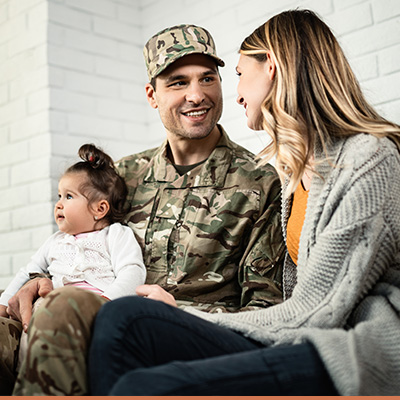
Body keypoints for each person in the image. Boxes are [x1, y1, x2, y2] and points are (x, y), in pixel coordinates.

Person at [87, 9, 400, 396]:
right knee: (124, 326)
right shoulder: (300, 172)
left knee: (135, 359)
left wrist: (185, 314)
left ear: (270, 67)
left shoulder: (367, 159)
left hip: (355, 350)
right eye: (179, 82)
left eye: (233, 75)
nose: (233, 94)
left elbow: (318, 309)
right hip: (306, 335)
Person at [8, 24, 285, 395]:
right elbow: (70, 243)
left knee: (62, 309)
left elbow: (268, 311)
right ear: (152, 95)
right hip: (93, 315)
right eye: (177, 82)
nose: (197, 95)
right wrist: (32, 282)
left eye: (207, 78)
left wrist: (183, 312)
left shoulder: (260, 183)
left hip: (187, 334)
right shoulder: (122, 176)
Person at [0, 143, 146, 374]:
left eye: (69, 196)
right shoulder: (55, 240)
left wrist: (105, 304)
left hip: (94, 307)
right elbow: (27, 272)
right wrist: (3, 303)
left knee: (86, 357)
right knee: (32, 347)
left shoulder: (116, 234)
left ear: (100, 209)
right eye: (59, 196)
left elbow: (132, 272)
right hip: (48, 309)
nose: (58, 204)